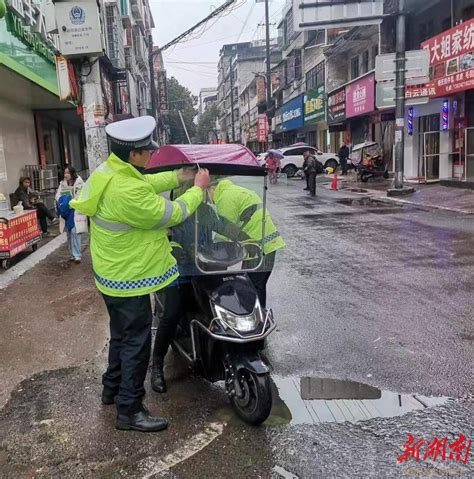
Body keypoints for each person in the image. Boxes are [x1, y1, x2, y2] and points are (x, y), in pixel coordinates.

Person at [70, 116, 211, 433]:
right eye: (147, 151)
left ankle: (111, 389)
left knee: (121, 336)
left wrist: (179, 176)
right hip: (129, 278)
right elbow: (172, 213)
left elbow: (146, 182)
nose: (151, 155)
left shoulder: (111, 171)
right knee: (136, 343)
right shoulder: (128, 192)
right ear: (133, 154)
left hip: (111, 276)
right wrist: (198, 189)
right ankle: (129, 410)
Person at [208, 179, 285, 307]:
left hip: (258, 247)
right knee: (256, 285)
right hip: (267, 244)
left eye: (207, 196)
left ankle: (256, 322)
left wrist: (211, 256)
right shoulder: (235, 190)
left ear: (212, 188)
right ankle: (260, 317)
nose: (210, 201)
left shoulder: (225, 197)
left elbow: (224, 230)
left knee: (252, 287)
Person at [55, 167, 86, 263]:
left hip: (75, 210)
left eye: (68, 173)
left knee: (75, 232)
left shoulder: (79, 182)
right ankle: (72, 254)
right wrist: (62, 201)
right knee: (68, 233)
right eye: (65, 173)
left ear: (72, 173)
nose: (66, 175)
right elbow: (58, 195)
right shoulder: (62, 183)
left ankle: (77, 255)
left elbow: (81, 195)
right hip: (66, 212)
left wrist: (72, 200)